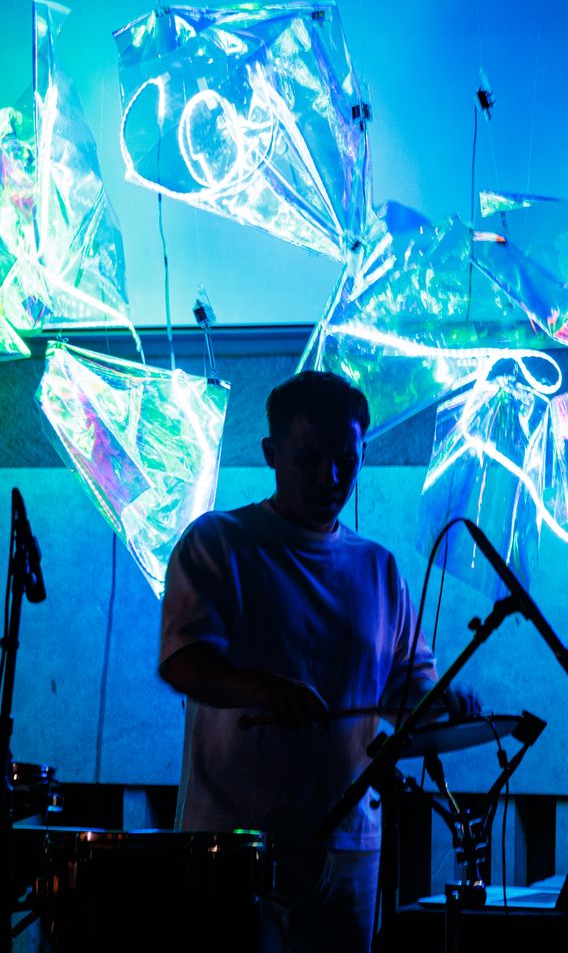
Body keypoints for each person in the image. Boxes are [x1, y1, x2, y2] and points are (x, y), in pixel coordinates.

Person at [159, 370, 462, 953]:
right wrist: (265, 688)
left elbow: (406, 689)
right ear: (272, 453)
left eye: (346, 461)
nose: (331, 477)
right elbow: (183, 662)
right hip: (238, 847)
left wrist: (442, 702)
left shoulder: (378, 569)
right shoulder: (220, 543)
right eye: (310, 458)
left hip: (352, 846)